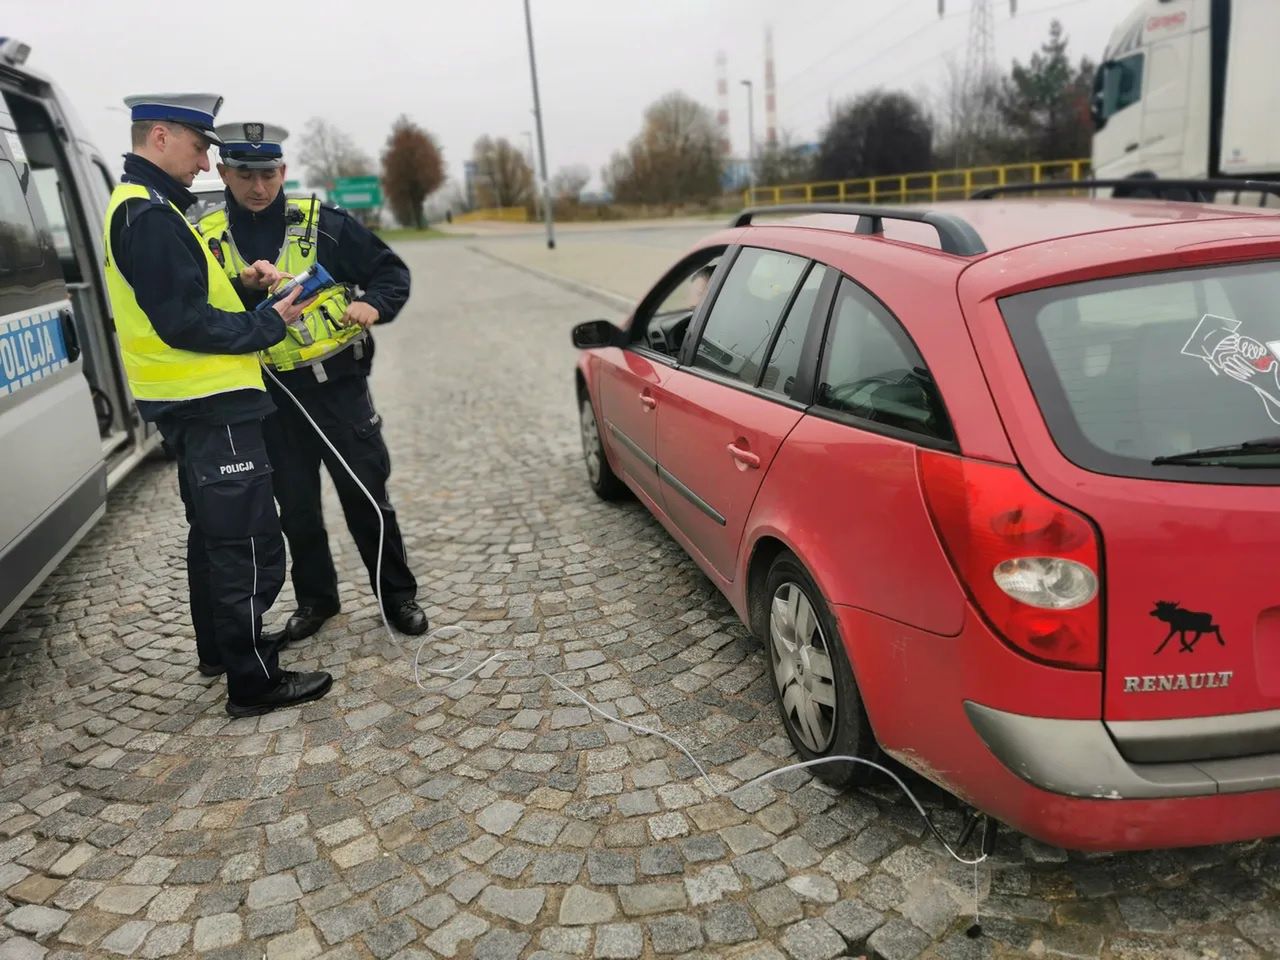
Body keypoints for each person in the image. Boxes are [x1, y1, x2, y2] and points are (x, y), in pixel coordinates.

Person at [101, 93, 333, 718]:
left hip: (193, 401)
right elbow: (183, 323)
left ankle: (219, 653)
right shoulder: (148, 216)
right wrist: (270, 324)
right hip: (211, 401)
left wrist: (244, 286)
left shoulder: (147, 209)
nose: (206, 163)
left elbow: (189, 296)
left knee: (211, 537)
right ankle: (253, 680)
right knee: (246, 543)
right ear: (159, 137)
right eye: (200, 146)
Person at [197, 122, 427, 646]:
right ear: (224, 172)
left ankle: (397, 597)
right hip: (271, 398)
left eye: (269, 174)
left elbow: (391, 272)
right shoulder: (207, 239)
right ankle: (317, 600)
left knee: (368, 498)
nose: (259, 187)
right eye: (245, 174)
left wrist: (375, 304)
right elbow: (198, 309)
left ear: (283, 172)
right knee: (295, 508)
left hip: (338, 389)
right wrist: (240, 285)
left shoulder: (323, 224)